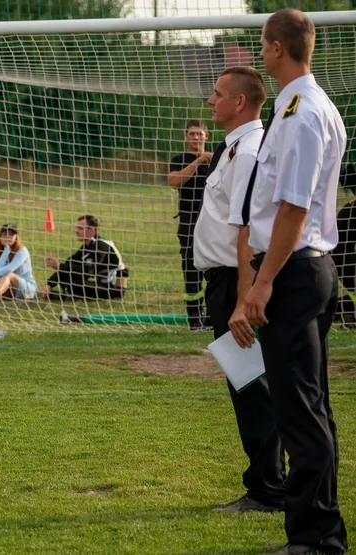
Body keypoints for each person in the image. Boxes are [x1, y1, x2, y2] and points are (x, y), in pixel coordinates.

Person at [242, 9, 348, 554]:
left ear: (278, 48)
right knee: (309, 406)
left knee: (300, 410)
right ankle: (318, 531)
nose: (260, 53)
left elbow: (293, 209)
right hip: (300, 266)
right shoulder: (296, 104)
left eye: (262, 45)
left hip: (295, 268)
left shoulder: (304, 110)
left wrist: (262, 283)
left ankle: (317, 538)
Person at [192, 66, 285, 514]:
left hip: (236, 282)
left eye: (217, 93)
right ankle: (267, 483)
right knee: (247, 385)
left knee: (253, 387)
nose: (211, 101)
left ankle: (268, 489)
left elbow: (247, 227)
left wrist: (244, 299)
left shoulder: (248, 151)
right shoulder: (232, 149)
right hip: (225, 281)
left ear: (240, 102)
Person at [167, 119, 211, 330]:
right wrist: (198, 161)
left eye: (200, 134)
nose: (196, 138)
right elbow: (174, 181)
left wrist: (207, 159)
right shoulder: (179, 159)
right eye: (192, 134)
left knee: (215, 271)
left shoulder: (216, 159)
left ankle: (214, 317)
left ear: (206, 136)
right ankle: (195, 320)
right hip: (189, 224)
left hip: (213, 225)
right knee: (191, 271)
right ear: (186, 137)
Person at [39, 214, 128, 301]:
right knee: (67, 276)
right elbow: (69, 264)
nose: (76, 231)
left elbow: (88, 271)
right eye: (77, 228)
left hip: (114, 289)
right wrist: (49, 284)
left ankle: (66, 296)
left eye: (80, 228)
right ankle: (61, 294)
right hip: (102, 284)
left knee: (72, 283)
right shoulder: (86, 247)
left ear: (92, 230)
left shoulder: (102, 246)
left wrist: (59, 266)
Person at [332, 162, 356, 321]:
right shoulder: (350, 211)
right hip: (343, 262)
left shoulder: (349, 209)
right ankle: (345, 308)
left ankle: (345, 308)